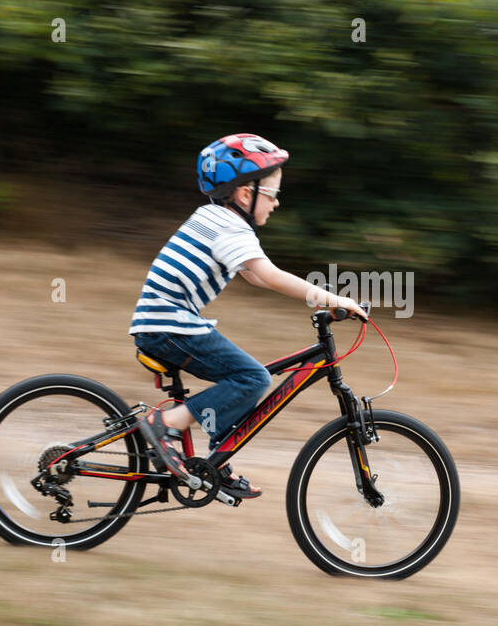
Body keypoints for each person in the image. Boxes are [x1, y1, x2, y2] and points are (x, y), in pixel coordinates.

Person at [129, 133, 366, 500]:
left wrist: (320, 302)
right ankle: (164, 425)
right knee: (252, 377)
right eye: (272, 195)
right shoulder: (230, 226)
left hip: (163, 323)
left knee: (243, 377)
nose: (275, 204)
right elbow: (269, 275)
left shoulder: (214, 218)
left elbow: (254, 276)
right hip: (168, 325)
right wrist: (334, 298)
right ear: (244, 194)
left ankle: (218, 460)